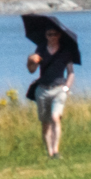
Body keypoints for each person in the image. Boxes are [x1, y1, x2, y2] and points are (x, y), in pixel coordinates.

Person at [22, 12, 82, 159]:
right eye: (49, 34)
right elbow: (31, 71)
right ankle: (49, 152)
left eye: (55, 34)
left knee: (55, 118)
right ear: (45, 35)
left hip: (59, 89)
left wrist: (67, 88)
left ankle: (56, 150)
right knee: (45, 123)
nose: (52, 37)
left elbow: (71, 73)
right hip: (42, 90)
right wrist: (30, 60)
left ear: (60, 35)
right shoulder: (40, 49)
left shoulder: (66, 52)